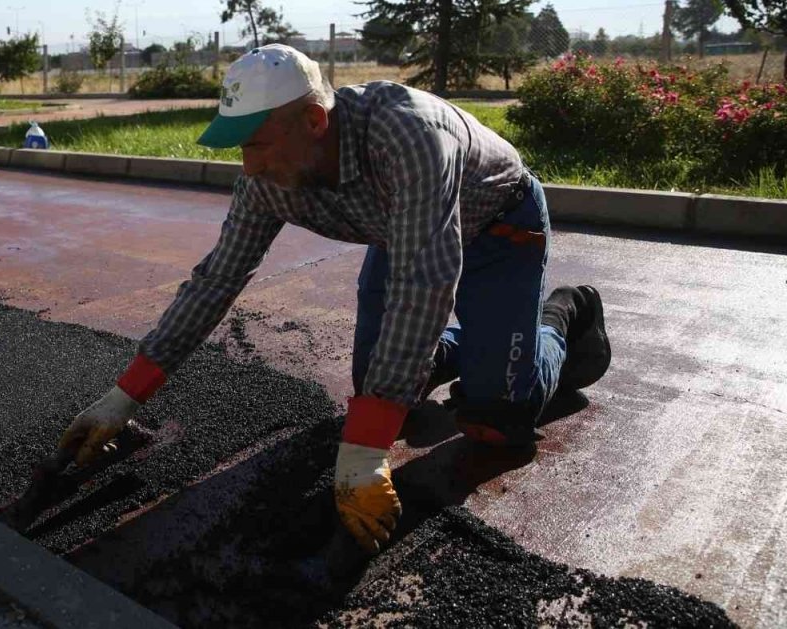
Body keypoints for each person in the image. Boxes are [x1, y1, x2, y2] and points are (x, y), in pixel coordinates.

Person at [58, 44, 611, 553]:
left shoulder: (408, 135)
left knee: (495, 419)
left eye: (257, 143)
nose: (248, 167)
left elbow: (424, 284)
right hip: (407, 233)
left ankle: (562, 317)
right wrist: (124, 397)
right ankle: (466, 341)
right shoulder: (267, 177)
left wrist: (367, 451)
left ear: (314, 121)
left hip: (497, 227)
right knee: (379, 384)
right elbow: (216, 280)